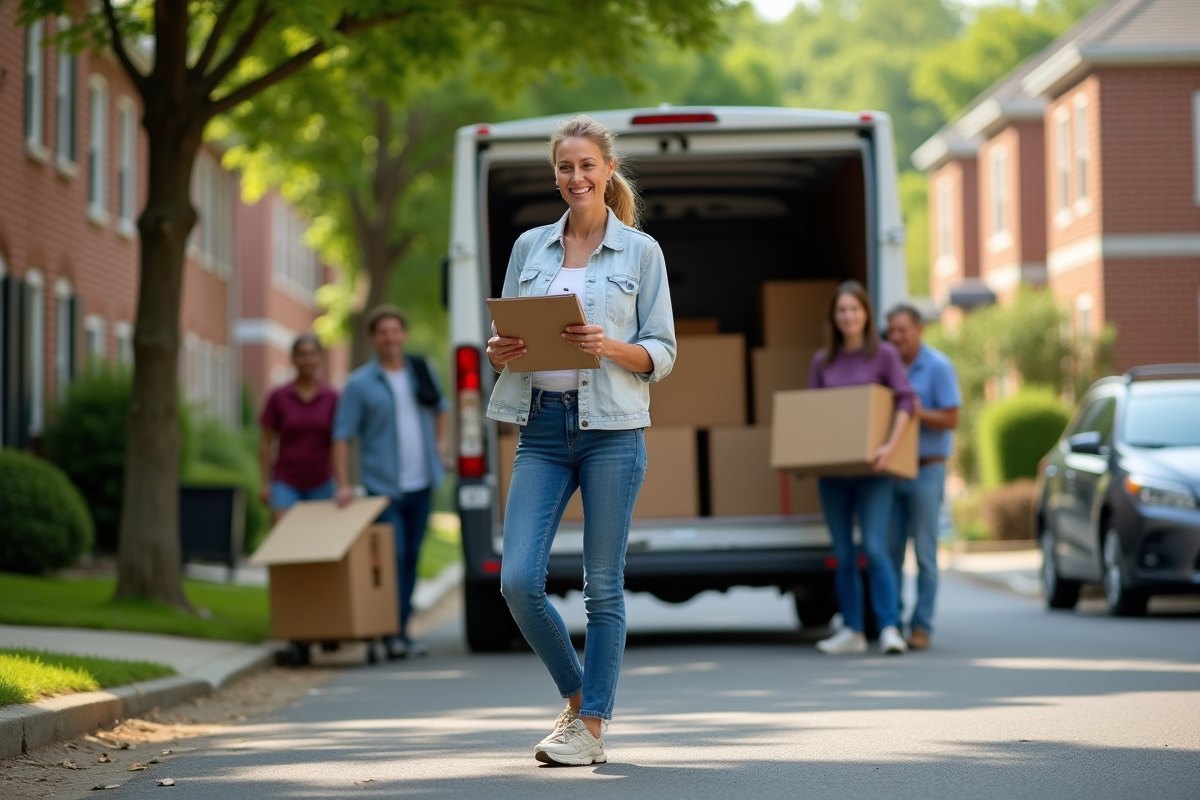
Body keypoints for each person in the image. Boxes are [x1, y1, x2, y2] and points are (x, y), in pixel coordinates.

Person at [486, 115, 676, 766]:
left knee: (603, 588)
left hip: (612, 432)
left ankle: (591, 727)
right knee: (517, 581)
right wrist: (498, 350)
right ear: (556, 174)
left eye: (587, 165)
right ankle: (577, 699)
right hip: (540, 427)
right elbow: (506, 338)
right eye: (565, 167)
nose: (576, 177)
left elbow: (663, 352)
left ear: (607, 170)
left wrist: (609, 346)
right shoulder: (530, 248)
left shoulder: (641, 253)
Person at [332, 306, 449, 659]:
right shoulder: (359, 384)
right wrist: (343, 483)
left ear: (404, 335)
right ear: (373, 338)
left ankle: (401, 631)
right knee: (392, 558)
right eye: (383, 332)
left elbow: (441, 408)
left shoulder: (421, 370)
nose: (390, 338)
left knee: (411, 557)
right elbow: (342, 435)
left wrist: (440, 446)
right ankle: (389, 631)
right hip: (383, 488)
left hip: (422, 483)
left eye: (395, 331)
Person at [808, 281, 914, 656]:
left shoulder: (884, 355)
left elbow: (906, 402)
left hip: (874, 471)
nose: (848, 316)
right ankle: (852, 630)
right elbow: (814, 415)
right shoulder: (823, 361)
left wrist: (890, 448)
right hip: (834, 474)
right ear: (834, 317)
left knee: (874, 548)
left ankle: (889, 628)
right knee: (843, 554)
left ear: (866, 314)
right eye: (842, 310)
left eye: (854, 309)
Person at [885, 304, 960, 650]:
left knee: (925, 555)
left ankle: (922, 626)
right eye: (891, 331)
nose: (896, 336)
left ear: (919, 330)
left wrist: (917, 412)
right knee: (890, 553)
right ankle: (892, 623)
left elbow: (952, 419)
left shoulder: (938, 366)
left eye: (902, 330)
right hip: (892, 473)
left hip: (927, 470)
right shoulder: (887, 366)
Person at [258, 334, 339, 524]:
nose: (307, 359)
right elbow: (266, 442)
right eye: (302, 354)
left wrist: (342, 482)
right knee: (282, 534)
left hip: (322, 480)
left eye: (312, 354)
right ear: (293, 359)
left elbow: (338, 443)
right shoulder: (279, 396)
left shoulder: (332, 397)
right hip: (285, 480)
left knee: (320, 537)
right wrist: (265, 483)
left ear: (320, 358)